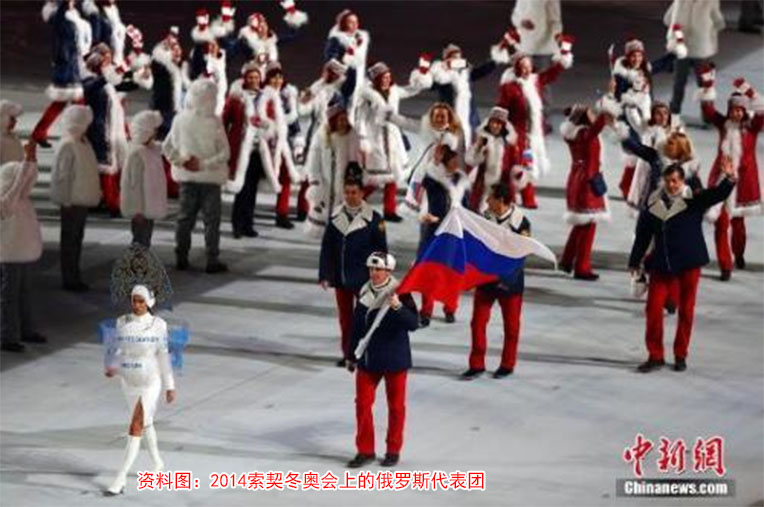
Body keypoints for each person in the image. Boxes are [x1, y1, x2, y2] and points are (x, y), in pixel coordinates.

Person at [628, 160, 736, 373]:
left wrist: (729, 178)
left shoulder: (693, 200)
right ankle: (655, 355)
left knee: (686, 310)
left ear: (682, 181)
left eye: (675, 181)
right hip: (663, 263)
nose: (672, 185)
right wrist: (634, 261)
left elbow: (716, 194)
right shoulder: (653, 204)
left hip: (689, 264)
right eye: (668, 181)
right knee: (653, 309)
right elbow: (643, 236)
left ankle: (680, 354)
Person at [346, 251, 418, 468]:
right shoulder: (363, 291)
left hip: (395, 358)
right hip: (369, 358)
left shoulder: (401, 292)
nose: (373, 272)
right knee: (362, 404)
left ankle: (393, 450)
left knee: (396, 407)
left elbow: (413, 323)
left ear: (388, 271)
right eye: (371, 268)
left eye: (378, 269)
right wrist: (351, 355)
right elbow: (356, 326)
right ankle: (365, 450)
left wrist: (398, 306)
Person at [103, 285, 176, 495]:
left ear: (149, 302)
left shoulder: (158, 325)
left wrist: (170, 386)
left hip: (150, 380)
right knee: (146, 422)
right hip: (129, 379)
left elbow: (163, 354)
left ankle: (120, 479)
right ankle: (158, 462)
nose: (136, 305)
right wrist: (113, 366)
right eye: (134, 300)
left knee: (135, 426)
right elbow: (118, 349)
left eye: (141, 301)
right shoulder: (122, 322)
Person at [319, 166, 387, 366]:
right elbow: (327, 249)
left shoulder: (374, 220)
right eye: (347, 192)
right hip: (341, 278)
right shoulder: (335, 218)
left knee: (365, 317)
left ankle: (364, 353)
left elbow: (381, 251)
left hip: (365, 279)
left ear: (362, 193)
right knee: (345, 319)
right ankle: (348, 354)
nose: (350, 196)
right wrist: (324, 274)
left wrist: (381, 278)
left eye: (354, 192)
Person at [162, 78, 230, 274]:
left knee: (184, 220)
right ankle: (212, 260)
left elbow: (166, 147)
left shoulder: (180, 119)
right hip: (210, 179)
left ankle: (181, 258)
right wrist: (203, 164)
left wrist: (182, 161)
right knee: (212, 222)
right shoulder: (214, 121)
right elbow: (225, 153)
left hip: (187, 179)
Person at [497, 37, 574, 208]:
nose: (526, 70)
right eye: (523, 67)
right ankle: (512, 195)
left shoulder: (535, 81)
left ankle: (526, 195)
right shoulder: (509, 88)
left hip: (533, 135)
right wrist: (502, 129)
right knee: (515, 166)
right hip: (516, 134)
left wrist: (565, 51)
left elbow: (553, 73)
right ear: (516, 68)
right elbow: (501, 109)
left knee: (528, 164)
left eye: (529, 66)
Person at [699, 77, 763, 280]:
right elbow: (708, 110)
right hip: (722, 178)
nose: (736, 113)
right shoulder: (723, 125)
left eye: (740, 110)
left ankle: (739, 253)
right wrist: (708, 84)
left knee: (738, 224)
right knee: (721, 222)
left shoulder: (752, 128)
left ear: (745, 111)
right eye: (733, 109)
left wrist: (749, 90)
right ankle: (725, 265)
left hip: (743, 182)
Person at [463, 182, 529, 380]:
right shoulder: (484, 218)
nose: (486, 200)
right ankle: (476, 364)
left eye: (490, 197)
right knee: (477, 323)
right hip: (486, 280)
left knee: (511, 327)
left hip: (510, 283)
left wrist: (505, 279)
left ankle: (507, 364)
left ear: (500, 200)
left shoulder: (521, 222)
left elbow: (521, 255)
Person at [358, 61, 431, 222]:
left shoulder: (394, 91)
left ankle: (389, 210)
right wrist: (363, 138)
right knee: (375, 178)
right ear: (377, 79)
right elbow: (361, 118)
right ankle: (355, 201)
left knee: (393, 175)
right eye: (383, 77)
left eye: (388, 77)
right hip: (375, 139)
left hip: (392, 138)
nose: (387, 80)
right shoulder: (368, 96)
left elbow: (410, 90)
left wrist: (421, 77)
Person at [1, 141, 48, 353]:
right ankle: (7, 336)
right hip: (10, 255)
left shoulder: (22, 199)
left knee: (25, 293)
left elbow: (27, 180)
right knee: (9, 296)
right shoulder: (6, 201)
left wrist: (32, 161)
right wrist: (26, 162)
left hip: (24, 253)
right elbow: (20, 183)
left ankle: (26, 330)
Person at [49, 105, 101, 292]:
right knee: (70, 240)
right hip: (72, 200)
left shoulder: (83, 143)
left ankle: (74, 275)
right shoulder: (69, 145)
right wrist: (65, 200)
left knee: (76, 239)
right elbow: (62, 176)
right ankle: (69, 278)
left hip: (81, 198)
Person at [418, 144, 471, 326]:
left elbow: (466, 206)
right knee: (430, 271)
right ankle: (426, 310)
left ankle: (450, 308)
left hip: (455, 232)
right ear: (445, 162)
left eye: (457, 161)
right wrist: (434, 163)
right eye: (452, 161)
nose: (456, 164)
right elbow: (424, 183)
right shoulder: (434, 180)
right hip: (435, 230)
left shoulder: (461, 181)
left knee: (452, 272)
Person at [559, 104, 612, 281]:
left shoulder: (575, 134)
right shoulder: (584, 134)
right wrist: (608, 108)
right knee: (588, 225)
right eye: (590, 113)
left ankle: (567, 260)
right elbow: (599, 125)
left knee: (581, 224)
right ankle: (581, 267)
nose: (593, 115)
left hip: (579, 178)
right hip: (587, 182)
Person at [32, 0, 92, 148]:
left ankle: (40, 132)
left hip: (74, 63)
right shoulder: (58, 15)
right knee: (76, 103)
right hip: (66, 65)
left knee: (63, 103)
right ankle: (82, 134)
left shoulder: (73, 15)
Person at [303, 102, 364, 237]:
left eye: (345, 119)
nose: (343, 123)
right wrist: (315, 180)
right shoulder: (321, 136)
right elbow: (313, 160)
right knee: (323, 205)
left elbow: (356, 159)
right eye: (340, 120)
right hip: (324, 181)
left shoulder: (351, 136)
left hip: (343, 182)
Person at [257, 61, 302, 229]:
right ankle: (243, 214)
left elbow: (294, 122)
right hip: (265, 142)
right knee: (254, 179)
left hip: (284, 144)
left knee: (286, 176)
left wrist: (298, 142)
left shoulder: (286, 96)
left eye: (280, 77)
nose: (277, 81)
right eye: (273, 77)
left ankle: (282, 213)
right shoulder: (262, 96)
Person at [663, 0, 724, 115]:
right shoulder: (710, 2)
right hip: (701, 48)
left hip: (681, 47)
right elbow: (719, 23)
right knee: (704, 82)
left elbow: (667, 19)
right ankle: (707, 112)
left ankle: (675, 109)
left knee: (679, 81)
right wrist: (708, 33)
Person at [224, 62, 264, 239]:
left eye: (256, 77)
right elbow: (225, 120)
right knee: (241, 188)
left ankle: (248, 224)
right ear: (245, 79)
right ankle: (237, 225)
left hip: (257, 149)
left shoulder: (264, 97)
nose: (254, 80)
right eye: (250, 77)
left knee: (253, 188)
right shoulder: (237, 98)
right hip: (241, 149)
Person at [430, 43, 498, 143]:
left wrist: (494, 61)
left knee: (472, 139)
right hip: (450, 113)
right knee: (452, 142)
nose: (457, 59)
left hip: (469, 114)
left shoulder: (465, 71)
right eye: (454, 57)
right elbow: (432, 85)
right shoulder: (442, 74)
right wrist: (428, 77)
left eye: (459, 56)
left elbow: (479, 72)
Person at [120, 111, 167, 248]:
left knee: (145, 241)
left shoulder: (152, 150)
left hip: (149, 207)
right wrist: (137, 210)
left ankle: (140, 261)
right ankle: (136, 262)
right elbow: (133, 186)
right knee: (140, 241)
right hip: (141, 208)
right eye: (154, 130)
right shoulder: (137, 154)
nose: (156, 133)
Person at [465, 106, 519, 212]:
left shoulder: (507, 144)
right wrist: (478, 148)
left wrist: (516, 174)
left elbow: (514, 162)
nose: (494, 126)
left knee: (500, 210)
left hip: (502, 182)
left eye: (498, 123)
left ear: (503, 126)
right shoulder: (483, 139)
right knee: (481, 208)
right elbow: (471, 160)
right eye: (493, 122)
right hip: (483, 183)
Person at [324, 9, 370, 123]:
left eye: (356, 22)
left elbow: (360, 61)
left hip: (359, 79)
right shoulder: (337, 39)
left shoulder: (361, 38)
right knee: (341, 111)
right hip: (343, 82)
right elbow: (330, 59)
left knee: (356, 109)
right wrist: (342, 72)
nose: (355, 25)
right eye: (351, 22)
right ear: (344, 23)